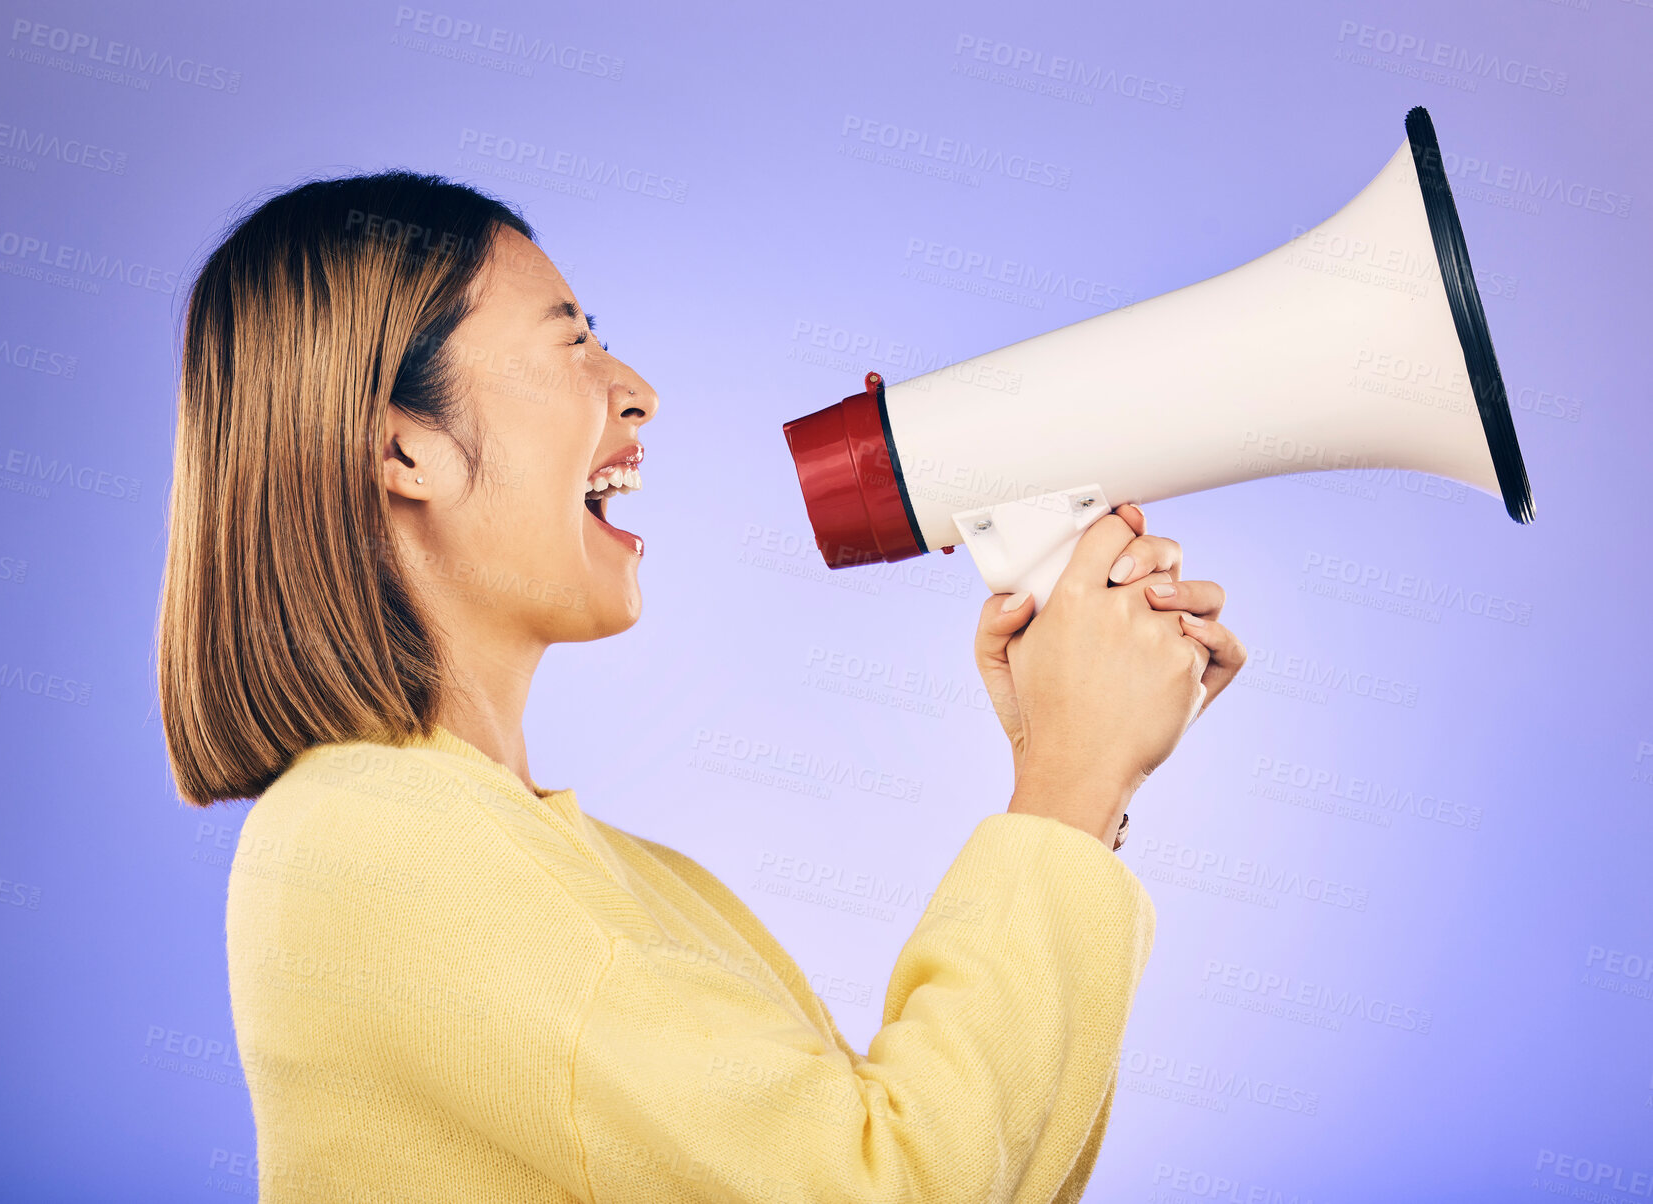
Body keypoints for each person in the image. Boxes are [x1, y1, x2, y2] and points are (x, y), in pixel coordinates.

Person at [156, 170, 1245, 1203]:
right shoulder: (372, 842)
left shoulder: (613, 875)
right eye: (573, 341)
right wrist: (1066, 782)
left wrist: (1082, 790)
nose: (639, 394)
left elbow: (975, 1165)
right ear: (403, 450)